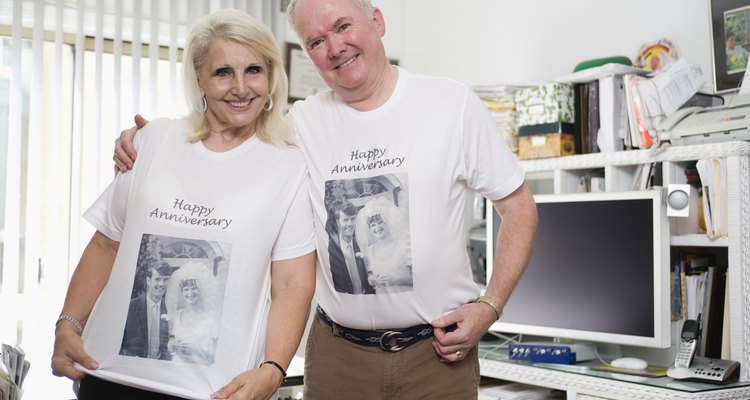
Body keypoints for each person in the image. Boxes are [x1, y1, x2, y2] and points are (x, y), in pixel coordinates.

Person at [113, 0, 538, 398]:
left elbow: (517, 207)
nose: (335, 47)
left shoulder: (451, 104)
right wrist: (152, 143)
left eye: (343, 26)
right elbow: (223, 147)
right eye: (316, 41)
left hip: (440, 355)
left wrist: (490, 305)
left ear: (377, 21)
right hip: (339, 359)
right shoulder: (296, 126)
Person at [51, 9, 316, 400]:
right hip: (109, 376)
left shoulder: (290, 165)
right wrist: (67, 326)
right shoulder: (153, 140)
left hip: (214, 391)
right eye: (223, 72)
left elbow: (292, 284)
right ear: (199, 80)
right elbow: (107, 244)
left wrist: (273, 369)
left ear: (272, 75)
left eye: (254, 70)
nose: (241, 87)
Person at [165, 261, 220, 365]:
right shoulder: (176, 316)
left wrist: (194, 351)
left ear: (202, 290)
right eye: (186, 289)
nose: (190, 293)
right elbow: (170, 345)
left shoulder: (212, 318)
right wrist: (171, 345)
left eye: (194, 288)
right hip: (176, 368)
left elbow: (216, 356)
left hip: (200, 371)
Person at [355, 197, 412, 293]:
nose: (377, 228)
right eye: (373, 225)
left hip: (405, 299)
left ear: (387, 222)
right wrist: (371, 280)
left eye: (380, 222)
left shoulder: (402, 244)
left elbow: (420, 279)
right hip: (383, 301)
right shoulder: (369, 251)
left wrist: (397, 280)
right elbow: (371, 275)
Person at [120, 261, 173, 360]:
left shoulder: (170, 309)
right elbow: (118, 342)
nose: (161, 284)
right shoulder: (130, 307)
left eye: (165, 280)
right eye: (157, 279)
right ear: (148, 281)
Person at [327, 200, 375, 294]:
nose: (350, 224)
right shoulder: (329, 248)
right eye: (345, 220)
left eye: (353, 219)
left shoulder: (362, 243)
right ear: (338, 222)